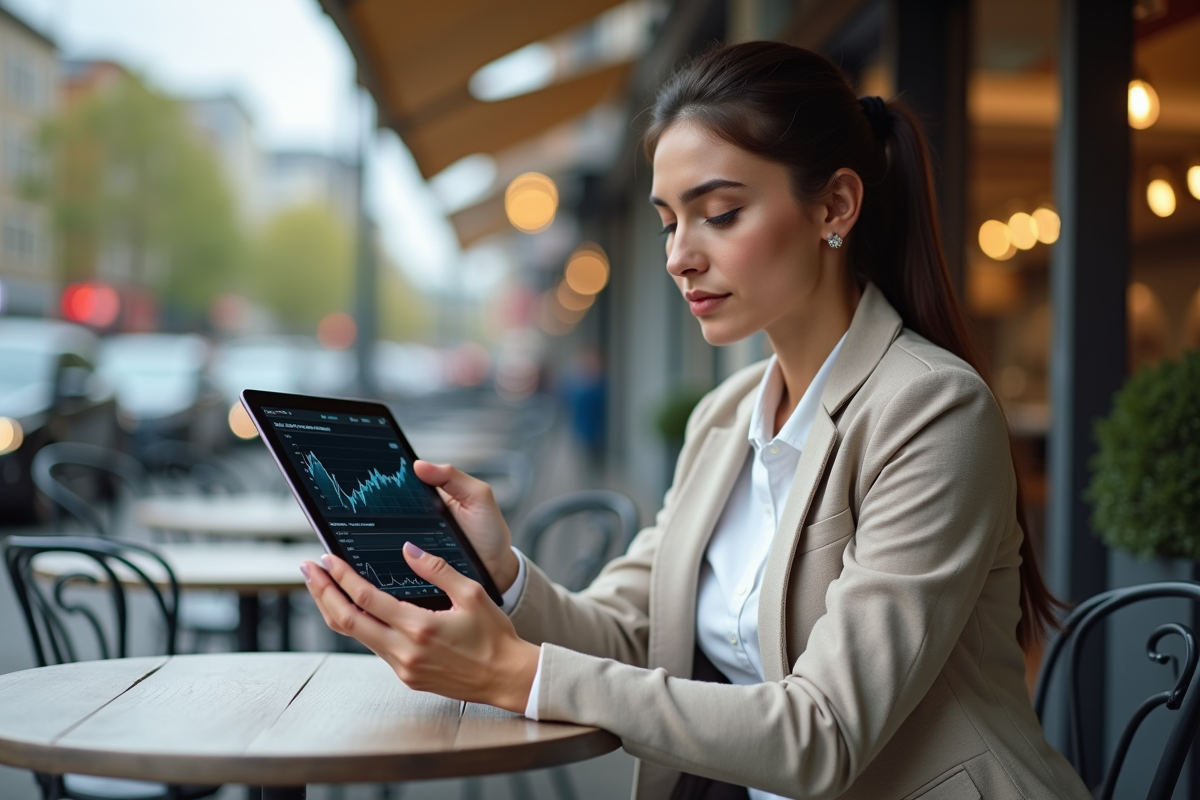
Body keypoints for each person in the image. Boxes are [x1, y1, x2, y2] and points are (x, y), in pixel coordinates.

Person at [298, 42, 1093, 800]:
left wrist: (520, 676)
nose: (680, 255)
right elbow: (632, 637)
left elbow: (824, 732)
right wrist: (503, 574)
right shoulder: (723, 419)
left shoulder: (930, 411)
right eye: (669, 221)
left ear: (835, 206)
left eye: (719, 213)